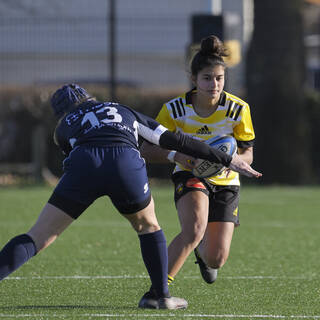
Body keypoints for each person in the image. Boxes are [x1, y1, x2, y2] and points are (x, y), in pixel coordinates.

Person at [0, 84, 260, 309]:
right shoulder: (123, 110)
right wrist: (228, 159)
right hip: (125, 163)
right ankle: (160, 297)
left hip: (85, 165)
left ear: (62, 112)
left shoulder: (63, 127)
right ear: (90, 99)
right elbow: (176, 140)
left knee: (38, 236)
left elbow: (75, 152)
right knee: (148, 226)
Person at [140, 35, 258, 287]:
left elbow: (248, 153)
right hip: (189, 174)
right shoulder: (175, 110)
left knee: (216, 259)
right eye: (207, 78)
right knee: (193, 229)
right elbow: (147, 149)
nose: (214, 84)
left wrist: (235, 161)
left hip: (226, 182)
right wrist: (178, 156)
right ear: (193, 79)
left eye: (219, 78)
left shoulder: (238, 110)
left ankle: (202, 255)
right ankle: (158, 290)